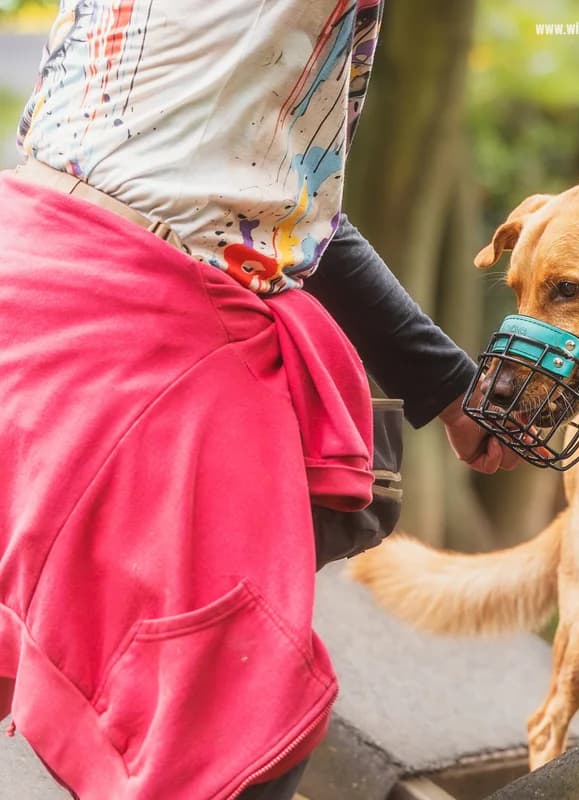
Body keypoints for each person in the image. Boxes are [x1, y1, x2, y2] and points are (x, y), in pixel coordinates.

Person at [0, 1, 515, 797]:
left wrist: (446, 384)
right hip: (137, 334)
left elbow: (284, 212)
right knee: (239, 726)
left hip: (29, 275)